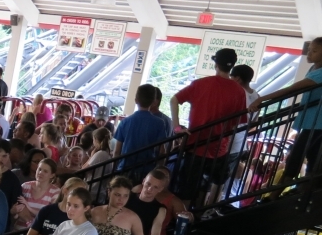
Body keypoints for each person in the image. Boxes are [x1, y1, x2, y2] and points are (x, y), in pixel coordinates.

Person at [170, 48, 248, 205]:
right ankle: (202, 216)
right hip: (220, 146)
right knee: (216, 183)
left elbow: (174, 100)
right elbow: (236, 123)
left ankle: (181, 221)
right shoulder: (239, 92)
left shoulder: (200, 84)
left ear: (216, 64)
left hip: (196, 144)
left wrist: (177, 127)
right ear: (232, 66)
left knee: (187, 188)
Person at [251, 36, 322, 183]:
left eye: (314, 51)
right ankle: (297, 191)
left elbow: (291, 89)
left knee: (299, 157)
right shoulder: (313, 68)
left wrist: (262, 99)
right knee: (306, 157)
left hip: (318, 123)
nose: (309, 54)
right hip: (310, 121)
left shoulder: (320, 73)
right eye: (309, 50)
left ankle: (277, 195)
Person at [112, 84, 171, 177]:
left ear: (136, 100)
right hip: (147, 170)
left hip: (125, 168)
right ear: (153, 102)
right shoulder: (159, 123)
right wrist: (159, 170)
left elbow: (116, 151)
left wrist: (114, 171)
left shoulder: (125, 122)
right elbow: (162, 151)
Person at [126, 168, 171, 235]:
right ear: (143, 181)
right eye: (148, 184)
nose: (150, 189)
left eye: (155, 187)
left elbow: (156, 234)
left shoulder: (160, 209)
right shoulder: (127, 197)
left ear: (160, 189)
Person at [13, 158, 60, 231]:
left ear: (52, 175)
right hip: (18, 232)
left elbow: (49, 217)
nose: (40, 172)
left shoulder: (55, 192)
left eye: (45, 171)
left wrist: (28, 207)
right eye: (39, 169)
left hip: (37, 234)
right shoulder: (25, 186)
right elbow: (16, 209)